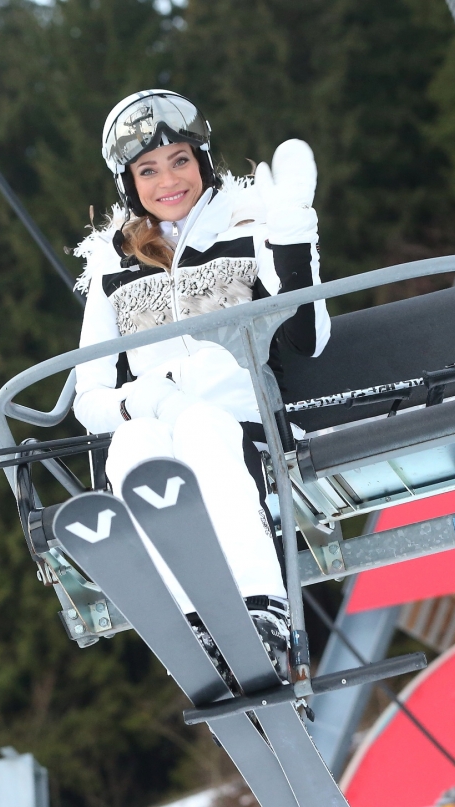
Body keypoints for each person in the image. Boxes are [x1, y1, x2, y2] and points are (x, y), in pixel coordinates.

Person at [72, 90, 329, 677]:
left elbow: (308, 338)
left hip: (241, 421)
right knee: (134, 445)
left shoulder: (247, 226)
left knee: (203, 428)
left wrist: (292, 234)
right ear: (128, 183)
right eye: (148, 170)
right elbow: (90, 398)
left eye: (180, 160)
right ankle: (194, 625)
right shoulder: (113, 264)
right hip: (157, 425)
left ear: (203, 161)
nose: (168, 181)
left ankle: (262, 609)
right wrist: (144, 399)